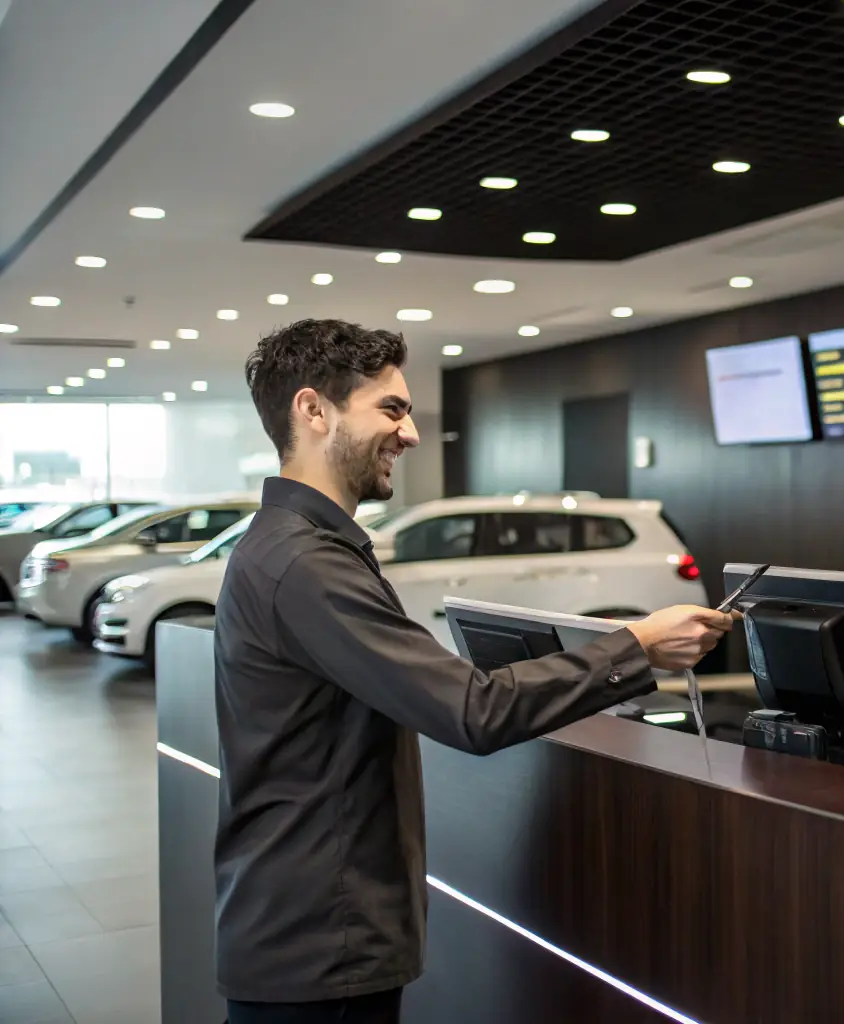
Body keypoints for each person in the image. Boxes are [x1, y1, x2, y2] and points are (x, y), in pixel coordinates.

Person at [214, 319, 734, 1023]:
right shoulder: (305, 562)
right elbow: (472, 710)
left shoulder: (293, 546)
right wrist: (634, 647)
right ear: (312, 411)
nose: (410, 433)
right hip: (317, 942)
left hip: (301, 930)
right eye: (391, 410)